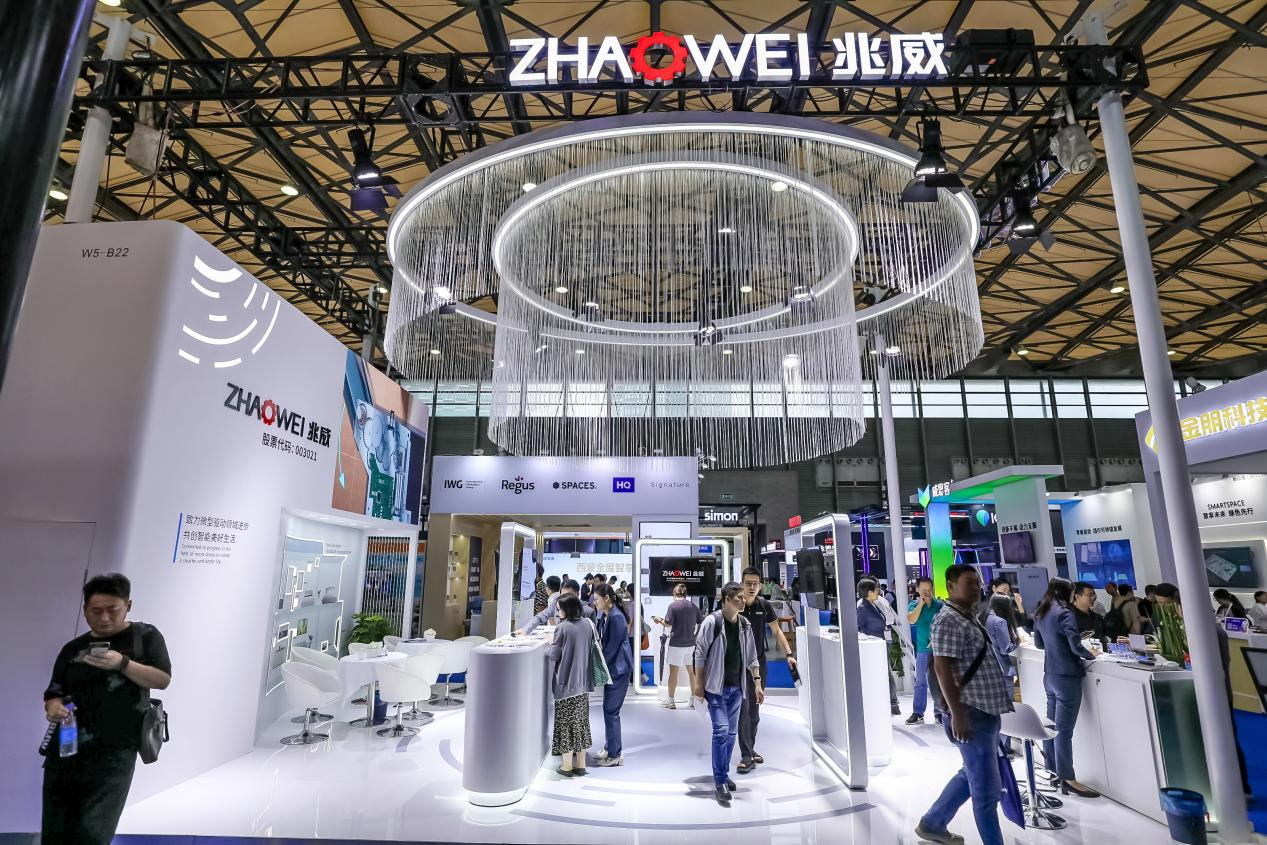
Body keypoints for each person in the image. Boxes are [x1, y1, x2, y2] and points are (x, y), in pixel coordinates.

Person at [43, 574, 172, 845]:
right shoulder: (72, 649)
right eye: (96, 611)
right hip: (67, 747)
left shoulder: (145, 636)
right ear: (85, 611)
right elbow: (54, 692)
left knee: (93, 831)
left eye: (112, 610)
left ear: (128, 606)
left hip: (116, 750)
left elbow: (162, 679)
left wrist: (122, 664)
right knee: (56, 829)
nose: (104, 618)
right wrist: (53, 707)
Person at [916, 564, 1014, 845]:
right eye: (969, 583)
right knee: (987, 792)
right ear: (950, 586)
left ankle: (933, 822)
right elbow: (942, 669)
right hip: (970, 712)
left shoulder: (967, 616)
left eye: (977, 583)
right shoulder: (948, 619)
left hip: (985, 711)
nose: (976, 587)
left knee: (971, 774)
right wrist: (957, 714)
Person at [1153, 582, 1251, 794]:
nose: (1163, 610)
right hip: (1195, 693)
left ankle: (1240, 789)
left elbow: (1216, 666)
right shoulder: (1184, 628)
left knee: (1225, 740)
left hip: (1216, 694)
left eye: (1166, 605)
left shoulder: (1209, 630)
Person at [693, 582, 763, 806]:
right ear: (725, 600)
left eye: (743, 597)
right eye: (737, 598)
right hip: (716, 688)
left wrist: (757, 683)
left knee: (732, 733)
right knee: (721, 730)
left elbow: (752, 656)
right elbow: (699, 653)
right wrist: (698, 683)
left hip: (737, 688)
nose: (742, 601)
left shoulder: (744, 624)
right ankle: (720, 781)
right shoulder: (712, 622)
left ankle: (722, 773)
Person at [1032, 577, 1100, 798]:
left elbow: (1039, 644)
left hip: (1049, 675)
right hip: (1067, 676)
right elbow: (1075, 646)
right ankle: (1068, 778)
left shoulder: (1042, 611)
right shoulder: (1064, 613)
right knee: (1063, 731)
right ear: (1068, 592)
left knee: (1051, 727)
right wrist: (1092, 654)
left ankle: (1053, 772)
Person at [737, 567, 797, 773]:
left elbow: (776, 631)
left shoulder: (764, 605)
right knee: (744, 709)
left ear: (760, 586)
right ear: (742, 584)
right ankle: (746, 755)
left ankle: (750, 748)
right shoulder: (735, 604)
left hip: (759, 662)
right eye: (748, 583)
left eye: (755, 584)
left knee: (754, 711)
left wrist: (789, 654)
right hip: (739, 663)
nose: (752, 587)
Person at [548, 594, 599, 777]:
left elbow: (554, 655)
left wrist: (551, 645)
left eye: (559, 609)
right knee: (580, 724)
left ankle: (567, 766)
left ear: (567, 609)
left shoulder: (562, 628)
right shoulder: (588, 624)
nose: (558, 612)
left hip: (566, 684)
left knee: (566, 724)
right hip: (583, 684)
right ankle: (581, 764)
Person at [592, 584, 633, 767]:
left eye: (597, 599)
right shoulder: (608, 615)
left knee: (611, 711)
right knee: (608, 710)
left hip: (619, 669)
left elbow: (611, 648)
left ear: (606, 598)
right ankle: (610, 747)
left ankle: (615, 754)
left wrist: (597, 666)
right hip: (614, 668)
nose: (595, 602)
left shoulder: (615, 617)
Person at [654, 582, 702, 709]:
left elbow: (668, 623)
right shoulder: (693, 606)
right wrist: (694, 636)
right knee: (691, 673)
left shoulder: (673, 606)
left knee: (673, 673)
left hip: (676, 644)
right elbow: (700, 622)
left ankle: (671, 700)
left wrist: (659, 620)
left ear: (674, 594)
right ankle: (693, 700)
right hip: (690, 644)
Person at [856, 577, 900, 716]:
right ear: (869, 592)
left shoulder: (874, 604)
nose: (878, 591)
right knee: (880, 675)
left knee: (886, 674)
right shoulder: (862, 608)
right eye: (876, 589)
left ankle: (891, 703)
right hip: (872, 649)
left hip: (880, 644)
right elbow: (858, 629)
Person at [906, 576, 944, 725]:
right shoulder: (913, 605)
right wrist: (920, 604)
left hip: (939, 650)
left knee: (939, 682)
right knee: (920, 682)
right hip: (922, 649)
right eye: (923, 590)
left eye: (929, 589)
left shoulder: (939, 605)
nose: (927, 592)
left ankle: (939, 713)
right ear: (917, 589)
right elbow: (911, 619)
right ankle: (918, 713)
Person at [518, 577, 591, 635]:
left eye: (569, 595)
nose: (565, 599)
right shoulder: (557, 602)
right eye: (563, 595)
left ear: (577, 594)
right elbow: (540, 616)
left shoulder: (587, 611)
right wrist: (525, 630)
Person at [983, 593, 1021, 685]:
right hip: (1002, 668)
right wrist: (1017, 642)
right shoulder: (1000, 622)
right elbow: (1005, 649)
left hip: (985, 667)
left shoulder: (981, 617)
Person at [1069, 581, 1106, 646]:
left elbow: (1103, 638)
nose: (1093, 597)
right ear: (1077, 597)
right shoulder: (1069, 618)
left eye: (1093, 594)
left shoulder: (1097, 617)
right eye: (1090, 595)